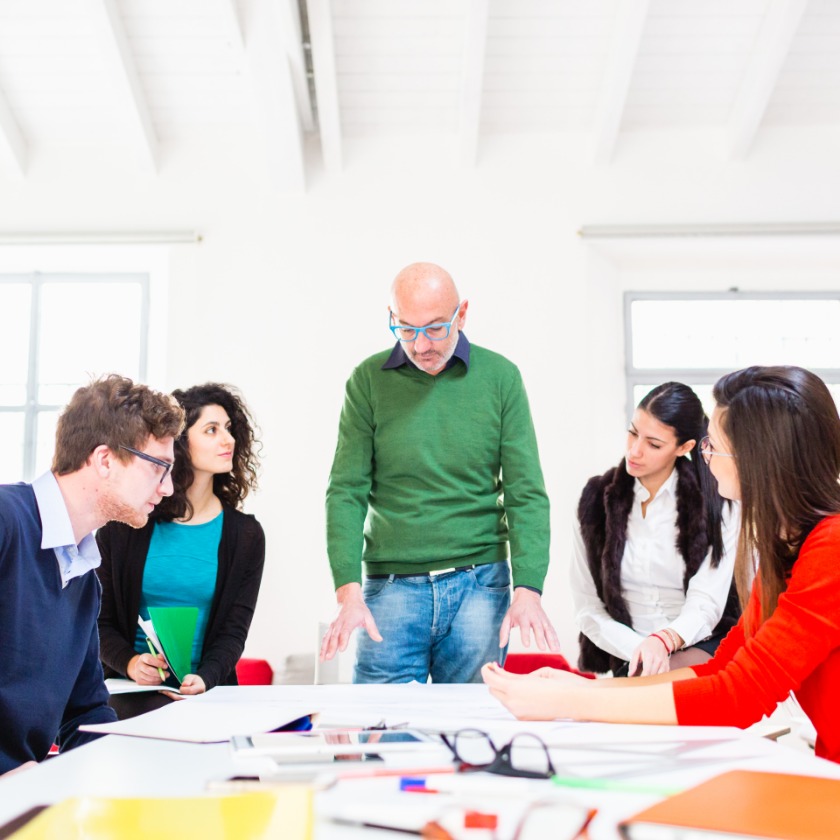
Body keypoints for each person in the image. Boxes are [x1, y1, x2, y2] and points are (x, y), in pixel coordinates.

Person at [483, 366, 840, 764]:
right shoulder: (786, 547)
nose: (707, 459)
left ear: (758, 460)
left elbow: (738, 697)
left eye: (713, 447)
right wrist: (584, 690)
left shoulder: (831, 549)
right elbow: (722, 668)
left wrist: (568, 701)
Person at [320, 261, 559, 684]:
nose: (421, 344)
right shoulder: (367, 381)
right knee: (380, 732)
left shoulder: (501, 378)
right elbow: (346, 491)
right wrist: (348, 590)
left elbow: (526, 492)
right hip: (391, 587)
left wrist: (529, 588)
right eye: (406, 329)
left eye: (434, 328)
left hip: (479, 585)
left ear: (461, 314)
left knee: (470, 732)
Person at [0, 374, 184, 776]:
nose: (168, 488)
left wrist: (126, 771)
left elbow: (85, 711)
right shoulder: (5, 520)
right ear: (104, 460)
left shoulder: (83, 579)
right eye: (160, 468)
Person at [96, 383, 265, 718]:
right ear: (181, 443)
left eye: (229, 429)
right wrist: (130, 663)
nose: (227, 440)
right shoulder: (124, 526)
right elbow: (99, 622)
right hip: (130, 694)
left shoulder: (246, 535)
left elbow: (234, 631)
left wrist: (204, 678)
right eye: (212, 430)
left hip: (209, 694)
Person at [572, 382, 740, 677]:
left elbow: (706, 604)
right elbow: (588, 608)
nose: (635, 451)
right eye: (633, 432)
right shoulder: (595, 500)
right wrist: (641, 650)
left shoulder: (718, 502)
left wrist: (661, 644)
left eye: (654, 444)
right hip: (626, 658)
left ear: (685, 447)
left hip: (696, 648)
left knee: (666, 687)